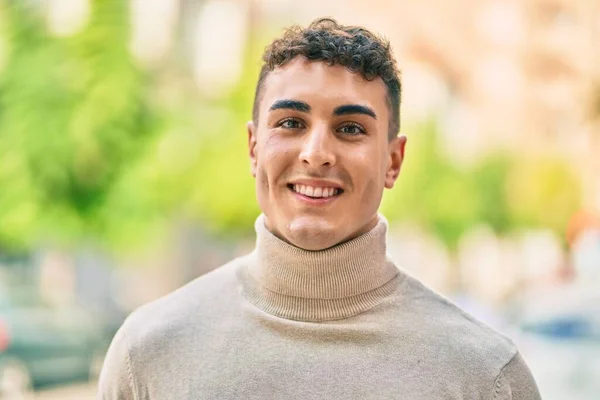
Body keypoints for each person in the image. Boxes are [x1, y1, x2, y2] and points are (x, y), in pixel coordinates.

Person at [98, 18, 541, 399]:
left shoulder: (483, 375)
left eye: (350, 128)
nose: (316, 153)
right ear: (254, 147)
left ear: (394, 160)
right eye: (291, 123)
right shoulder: (149, 351)